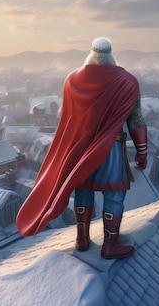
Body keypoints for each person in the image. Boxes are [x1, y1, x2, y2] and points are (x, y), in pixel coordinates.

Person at [16, 37, 147, 259]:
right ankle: (110, 245)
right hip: (110, 149)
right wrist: (142, 151)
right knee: (114, 195)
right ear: (111, 55)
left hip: (79, 150)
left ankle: (82, 239)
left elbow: (68, 121)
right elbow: (135, 120)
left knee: (82, 189)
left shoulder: (71, 80)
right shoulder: (128, 82)